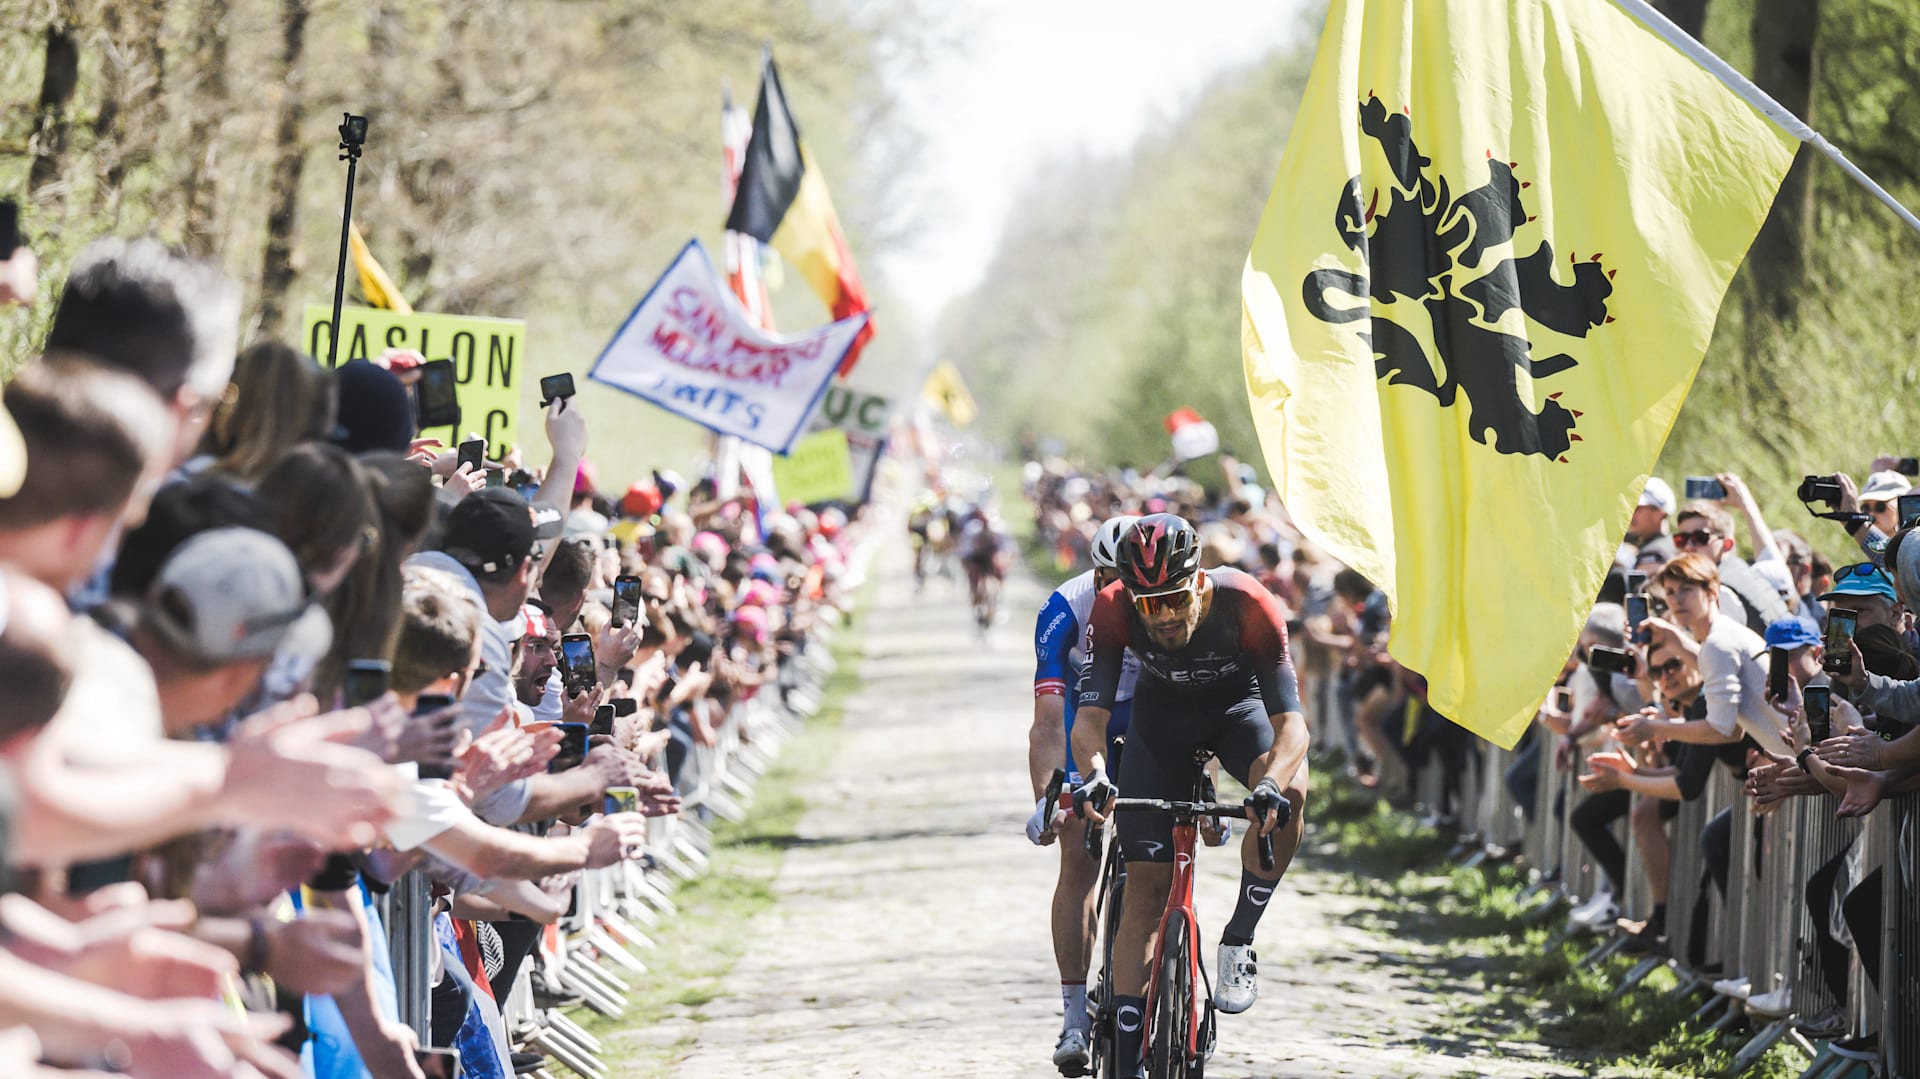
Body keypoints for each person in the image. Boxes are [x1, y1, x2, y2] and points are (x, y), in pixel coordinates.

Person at [1073, 514, 1306, 1076]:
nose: (1166, 616)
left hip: (1237, 713)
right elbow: (1090, 721)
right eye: (1150, 605)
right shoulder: (1112, 607)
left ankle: (1238, 940)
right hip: (1160, 727)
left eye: (1175, 599)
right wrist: (1097, 775)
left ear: (1198, 581)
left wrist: (1270, 784)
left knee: (1295, 795)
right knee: (1146, 897)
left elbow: (1293, 727)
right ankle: (1126, 1063)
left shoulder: (1249, 602)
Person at [1026, 514, 1139, 1075]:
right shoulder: (1063, 609)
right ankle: (1074, 1017)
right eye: (1109, 580)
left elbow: (1202, 710)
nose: (1119, 592)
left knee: (1161, 838)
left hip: (1145, 713)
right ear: (1095, 575)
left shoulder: (1163, 602)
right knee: (1078, 854)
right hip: (1081, 715)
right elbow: (1048, 723)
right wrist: (1051, 797)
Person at [958, 506, 1011, 631]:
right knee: (974, 581)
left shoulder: (1000, 529)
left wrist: (1004, 565)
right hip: (975, 557)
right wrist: (968, 567)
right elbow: (964, 552)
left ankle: (998, 601)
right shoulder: (972, 530)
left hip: (993, 556)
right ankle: (975, 604)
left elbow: (1009, 550)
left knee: (1000, 570)